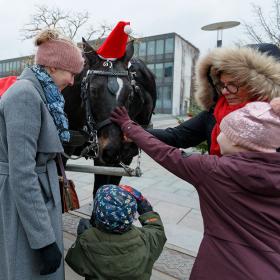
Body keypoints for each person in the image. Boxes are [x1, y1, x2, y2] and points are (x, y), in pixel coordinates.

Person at [110, 97, 280, 279]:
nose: (216, 132)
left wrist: (128, 126)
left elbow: (163, 152)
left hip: (220, 268)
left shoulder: (214, 170)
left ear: (238, 142)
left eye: (222, 130)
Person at [0, 29, 84, 279]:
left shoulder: (40, 93)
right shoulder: (25, 95)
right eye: (71, 73)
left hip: (33, 200)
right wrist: (43, 240)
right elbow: (23, 173)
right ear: (53, 68)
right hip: (22, 206)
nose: (72, 81)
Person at [147, 43, 280, 156]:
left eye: (233, 84)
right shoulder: (213, 114)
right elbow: (176, 136)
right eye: (223, 85)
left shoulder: (274, 120)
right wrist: (133, 131)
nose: (224, 91)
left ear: (257, 86)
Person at [65, 184, 166, 280]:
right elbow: (157, 229)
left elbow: (74, 263)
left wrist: (80, 237)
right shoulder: (147, 238)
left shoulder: (87, 240)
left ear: (97, 212)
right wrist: (144, 204)